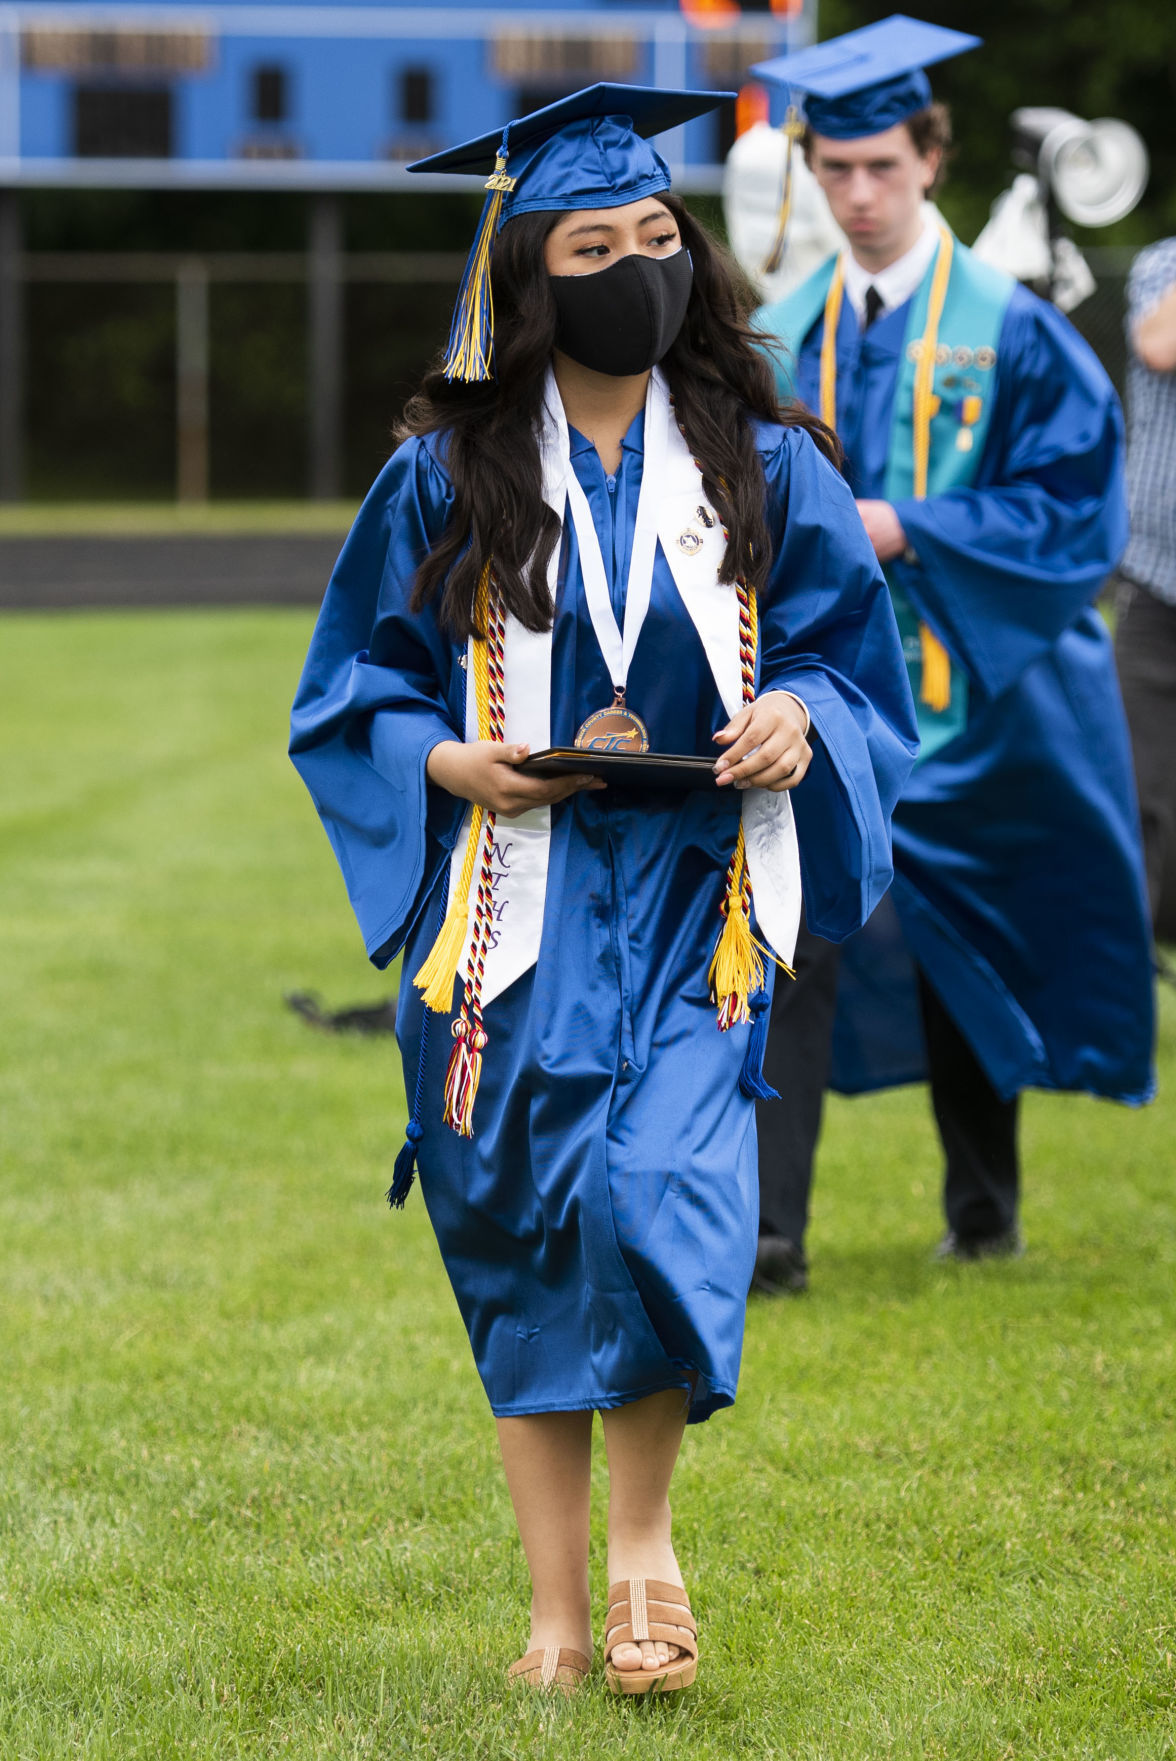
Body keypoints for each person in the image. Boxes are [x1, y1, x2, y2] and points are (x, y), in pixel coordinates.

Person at [290, 83, 916, 1696]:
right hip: (515, 907)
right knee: (518, 1232)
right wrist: (450, 767)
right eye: (593, 244)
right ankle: (558, 1615)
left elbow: (856, 671)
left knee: (655, 1196)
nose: (633, 266)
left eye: (655, 237)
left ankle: (646, 1558)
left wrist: (801, 715)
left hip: (704, 906)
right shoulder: (447, 472)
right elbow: (354, 684)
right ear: (531, 281)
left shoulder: (766, 459)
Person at [748, 17, 1155, 1293]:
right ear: (811, 173)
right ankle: (771, 1238)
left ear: (932, 159)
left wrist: (906, 525)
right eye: (835, 171)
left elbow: (1075, 508)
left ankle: (984, 1213)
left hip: (980, 699)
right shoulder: (782, 331)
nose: (858, 196)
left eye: (882, 166)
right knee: (791, 932)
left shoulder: (1011, 330)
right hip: (827, 699)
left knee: (962, 935)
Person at [1113, 238, 1176, 951]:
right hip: (1158, 579)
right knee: (1139, 792)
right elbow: (1159, 344)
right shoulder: (1163, 264)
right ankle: (1130, 983)